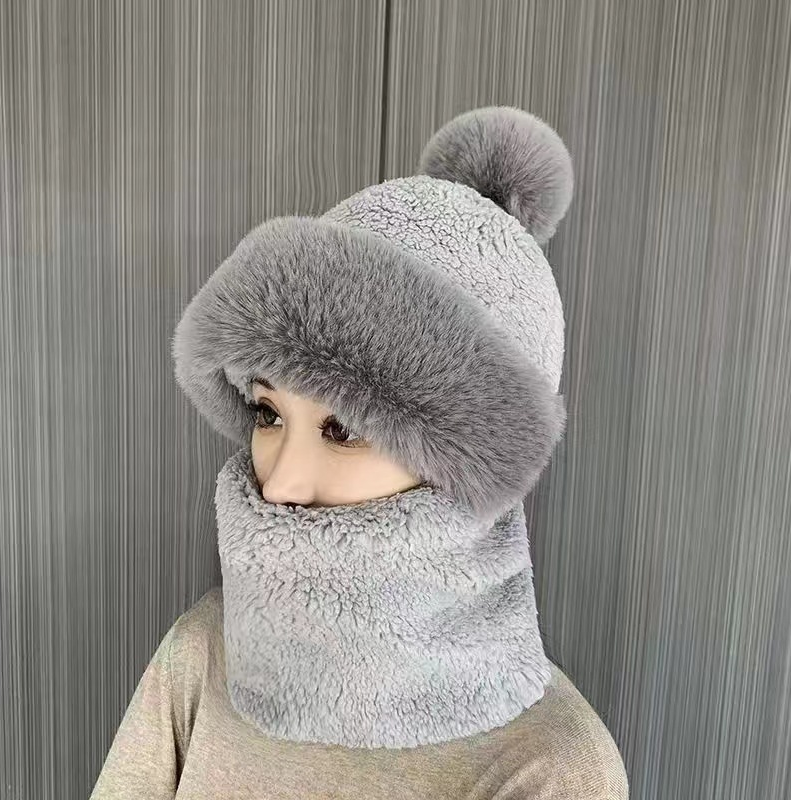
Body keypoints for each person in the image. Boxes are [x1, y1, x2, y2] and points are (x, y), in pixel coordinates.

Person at [90, 105, 629, 799]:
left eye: (343, 429)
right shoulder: (203, 654)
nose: (279, 484)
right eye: (268, 413)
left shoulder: (551, 768)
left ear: (461, 469)